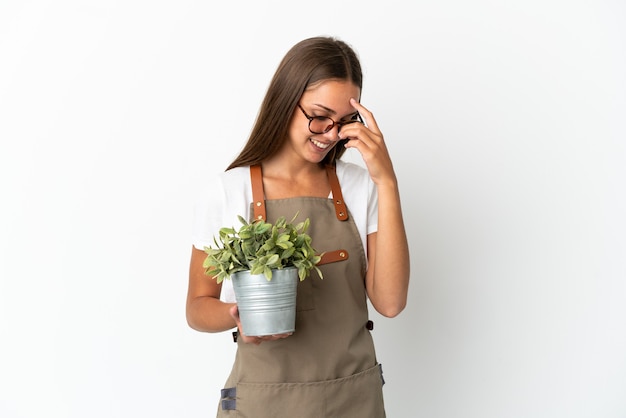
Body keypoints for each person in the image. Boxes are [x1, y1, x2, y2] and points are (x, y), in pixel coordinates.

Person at [186, 36, 410, 417]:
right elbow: (197, 307)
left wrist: (386, 181)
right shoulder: (229, 191)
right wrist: (235, 315)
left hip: (352, 399)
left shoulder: (361, 187)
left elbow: (389, 303)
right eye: (320, 115)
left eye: (343, 123)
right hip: (263, 402)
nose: (329, 135)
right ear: (287, 99)